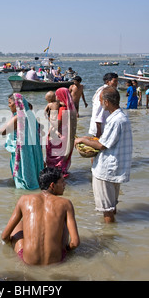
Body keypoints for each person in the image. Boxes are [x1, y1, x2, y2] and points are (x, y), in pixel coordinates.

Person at [75, 87, 133, 223]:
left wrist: (82, 140)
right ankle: (115, 231)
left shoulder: (115, 120)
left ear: (107, 102)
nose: (100, 104)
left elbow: (102, 145)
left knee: (106, 209)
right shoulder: (122, 116)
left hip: (106, 169)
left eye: (101, 101)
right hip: (116, 167)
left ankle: (108, 237)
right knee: (112, 205)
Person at [1, 167, 80, 265]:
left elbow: (4, 236)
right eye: (62, 181)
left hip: (28, 261)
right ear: (52, 185)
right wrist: (66, 249)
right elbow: (75, 243)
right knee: (64, 224)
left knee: (19, 225)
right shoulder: (66, 204)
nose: (65, 184)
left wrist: (13, 244)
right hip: (57, 260)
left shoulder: (24, 200)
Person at [0, 93, 44, 190]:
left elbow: (2, 131)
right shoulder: (31, 116)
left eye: (10, 103)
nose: (8, 105)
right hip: (32, 151)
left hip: (21, 152)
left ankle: (22, 193)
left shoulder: (17, 118)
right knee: (32, 173)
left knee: (22, 177)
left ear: (16, 103)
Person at [45, 88, 77, 177]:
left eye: (57, 95)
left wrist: (49, 119)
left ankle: (56, 174)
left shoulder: (62, 108)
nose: (56, 97)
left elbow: (56, 123)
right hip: (66, 134)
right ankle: (62, 171)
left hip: (58, 135)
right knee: (62, 157)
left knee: (55, 157)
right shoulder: (70, 109)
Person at [89, 73, 118, 138]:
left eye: (117, 81)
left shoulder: (105, 90)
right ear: (108, 82)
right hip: (100, 128)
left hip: (103, 126)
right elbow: (99, 111)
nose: (117, 83)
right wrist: (99, 132)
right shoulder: (104, 92)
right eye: (115, 81)